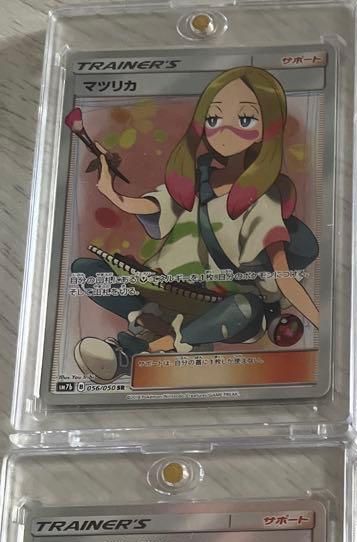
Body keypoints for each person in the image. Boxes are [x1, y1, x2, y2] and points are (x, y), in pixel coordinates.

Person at [70, 66, 319, 383]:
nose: (224, 130)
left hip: (221, 303)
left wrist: (323, 325)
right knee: (85, 270)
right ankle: (143, 325)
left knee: (245, 307)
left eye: (244, 120)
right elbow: (156, 205)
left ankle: (147, 348)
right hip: (165, 288)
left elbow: (283, 276)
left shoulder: (264, 200)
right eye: (213, 119)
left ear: (266, 129)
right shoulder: (199, 178)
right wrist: (112, 192)